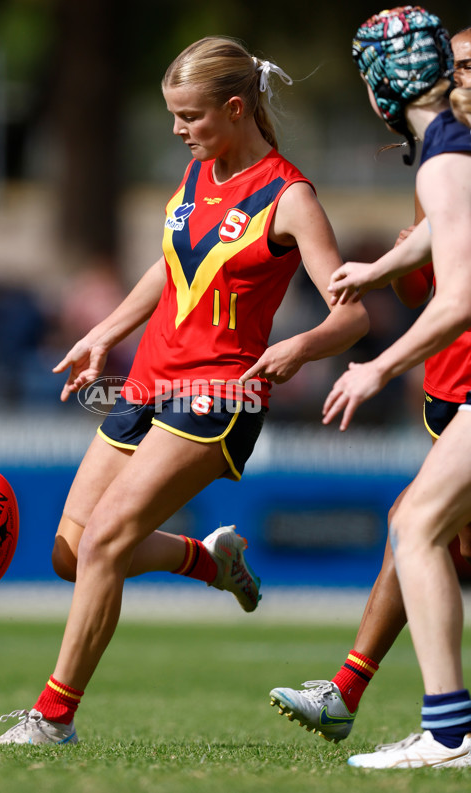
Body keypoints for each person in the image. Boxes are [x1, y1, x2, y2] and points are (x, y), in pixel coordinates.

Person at [0, 36, 368, 745]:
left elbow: (353, 312)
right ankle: (209, 558)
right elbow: (171, 270)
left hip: (220, 396)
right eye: (172, 115)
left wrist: (298, 344)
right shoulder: (197, 174)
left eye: (189, 116)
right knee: (72, 553)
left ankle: (53, 718)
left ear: (233, 107)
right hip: (146, 382)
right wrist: (107, 331)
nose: (176, 129)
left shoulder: (291, 196)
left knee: (105, 540)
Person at [268, 22, 471, 749]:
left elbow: (458, 298)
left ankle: (447, 732)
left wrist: (378, 365)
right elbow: (442, 231)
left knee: (417, 528)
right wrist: (380, 270)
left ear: (383, 85)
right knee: (419, 525)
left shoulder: (445, 157)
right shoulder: (449, 149)